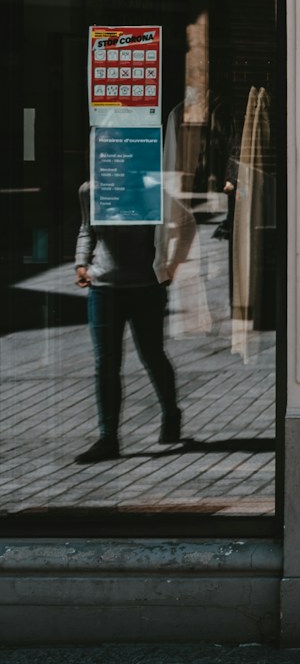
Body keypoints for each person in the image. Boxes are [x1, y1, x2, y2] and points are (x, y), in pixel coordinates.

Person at [73, 182, 186, 463]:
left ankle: (171, 412)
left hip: (145, 287)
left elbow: (184, 223)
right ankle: (108, 437)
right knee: (106, 363)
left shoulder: (149, 189)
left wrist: (170, 266)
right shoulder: (90, 190)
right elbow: (87, 228)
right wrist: (81, 263)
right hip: (103, 287)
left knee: (152, 354)